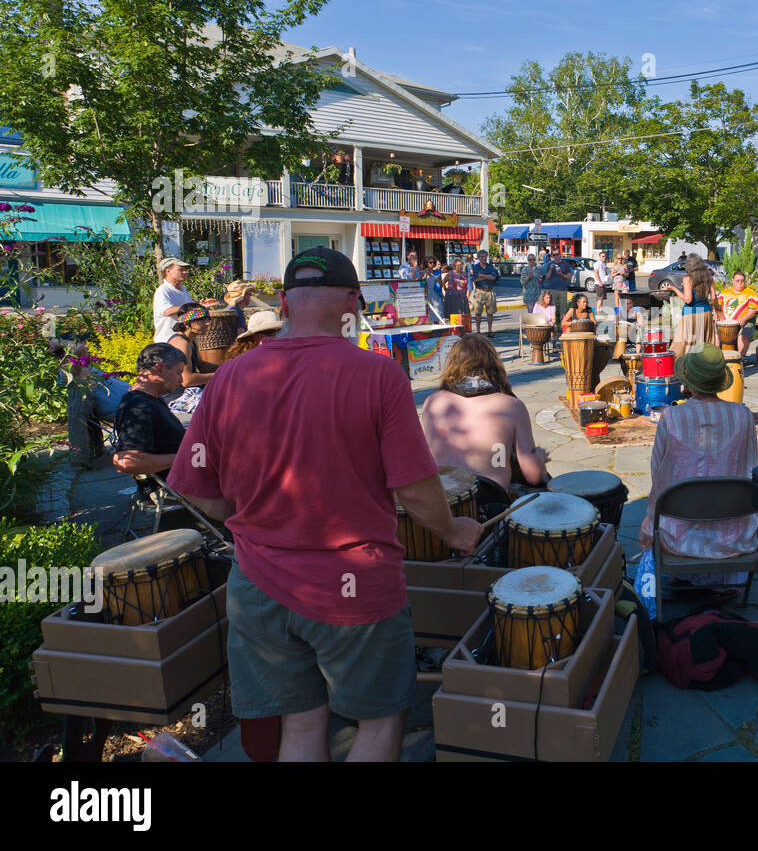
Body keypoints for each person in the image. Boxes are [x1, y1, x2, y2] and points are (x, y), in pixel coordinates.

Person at [168, 246, 482, 763]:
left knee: (302, 723)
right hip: (354, 584)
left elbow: (194, 487)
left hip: (258, 586)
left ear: (286, 305)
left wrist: (251, 519)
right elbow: (417, 489)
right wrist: (453, 532)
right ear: (353, 305)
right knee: (379, 723)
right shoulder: (378, 375)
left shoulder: (229, 378)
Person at [638, 344, 757, 585]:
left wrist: (650, 519)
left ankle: (683, 578)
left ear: (688, 382)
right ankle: (724, 581)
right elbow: (750, 469)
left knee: (656, 511)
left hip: (679, 537)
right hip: (734, 535)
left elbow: (658, 475)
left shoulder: (671, 417)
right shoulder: (743, 415)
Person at [419, 334, 550, 493]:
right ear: (494, 365)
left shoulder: (432, 402)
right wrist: (540, 458)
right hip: (489, 503)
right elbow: (533, 475)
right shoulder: (511, 406)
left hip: (444, 501)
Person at [112, 342, 188, 480]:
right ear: (159, 368)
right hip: (182, 484)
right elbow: (126, 462)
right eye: (178, 372)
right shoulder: (138, 406)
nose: (181, 380)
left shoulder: (152, 400)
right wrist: (185, 457)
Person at [152, 257, 218, 343]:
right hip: (168, 341)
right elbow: (167, 311)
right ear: (168, 271)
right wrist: (195, 307)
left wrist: (201, 307)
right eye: (181, 270)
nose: (185, 272)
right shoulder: (163, 290)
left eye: (185, 270)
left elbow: (190, 313)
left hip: (185, 339)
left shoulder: (184, 291)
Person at [665, 253, 718, 356]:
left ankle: (682, 367)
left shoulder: (687, 278)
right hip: (706, 312)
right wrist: (717, 311)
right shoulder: (709, 277)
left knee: (683, 345)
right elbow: (714, 297)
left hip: (690, 313)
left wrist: (674, 289)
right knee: (703, 344)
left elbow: (688, 300)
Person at [718, 271, 758, 359]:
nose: (740, 283)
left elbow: (753, 310)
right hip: (726, 322)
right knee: (715, 334)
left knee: (743, 335)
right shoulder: (724, 292)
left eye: (742, 280)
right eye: (737, 280)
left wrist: (744, 318)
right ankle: (718, 357)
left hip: (745, 321)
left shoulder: (750, 293)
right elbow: (717, 307)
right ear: (733, 281)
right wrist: (719, 316)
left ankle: (740, 358)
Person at [467, 249, 501, 336]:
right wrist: (487, 276)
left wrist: (481, 275)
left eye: (485, 256)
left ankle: (490, 330)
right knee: (478, 313)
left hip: (489, 291)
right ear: (478, 258)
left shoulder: (490, 267)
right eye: (482, 256)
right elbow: (474, 279)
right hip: (479, 291)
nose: (484, 258)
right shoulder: (475, 267)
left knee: (490, 313)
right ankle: (478, 331)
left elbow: (493, 277)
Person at [542, 252, 572, 317]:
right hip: (552, 289)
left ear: (560, 255)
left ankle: (562, 325)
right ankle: (553, 324)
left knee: (563, 309)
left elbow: (569, 277)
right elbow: (547, 277)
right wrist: (550, 269)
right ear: (552, 256)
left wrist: (561, 274)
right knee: (552, 309)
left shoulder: (565, 264)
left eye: (557, 254)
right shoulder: (549, 264)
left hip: (563, 289)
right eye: (554, 255)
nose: (556, 256)